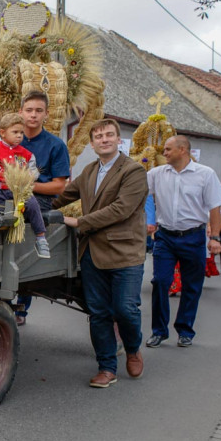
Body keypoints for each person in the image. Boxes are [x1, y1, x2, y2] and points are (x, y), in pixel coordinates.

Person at [54, 119, 147, 388]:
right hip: (92, 252)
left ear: (118, 140)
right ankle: (106, 368)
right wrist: (31, 205)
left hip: (125, 252)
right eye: (98, 136)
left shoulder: (133, 171)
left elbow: (122, 209)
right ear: (92, 144)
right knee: (98, 313)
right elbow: (64, 196)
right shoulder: (89, 171)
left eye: (109, 135)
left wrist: (79, 222)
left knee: (125, 310)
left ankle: (132, 348)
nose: (104, 139)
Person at [146, 135, 221, 348]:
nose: (164, 153)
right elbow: (138, 193)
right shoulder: (156, 174)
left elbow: (215, 207)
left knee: (192, 286)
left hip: (193, 237)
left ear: (182, 150)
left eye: (168, 149)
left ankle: (185, 330)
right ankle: (159, 331)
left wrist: (215, 237)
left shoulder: (205, 174)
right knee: (160, 282)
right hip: (165, 237)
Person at [11, 91, 71, 325]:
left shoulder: (55, 145)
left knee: (25, 219)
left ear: (46, 114)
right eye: (29, 110)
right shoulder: (10, 140)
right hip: (8, 194)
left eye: (38, 111)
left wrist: (26, 185)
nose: (33, 115)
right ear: (20, 112)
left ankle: (21, 305)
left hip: (40, 198)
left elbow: (59, 185)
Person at [0, 113, 50, 258]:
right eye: (15, 132)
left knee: (33, 205)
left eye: (21, 132)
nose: (19, 136)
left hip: (20, 191)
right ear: (3, 133)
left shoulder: (26, 154)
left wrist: (29, 176)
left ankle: (41, 237)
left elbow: (34, 171)